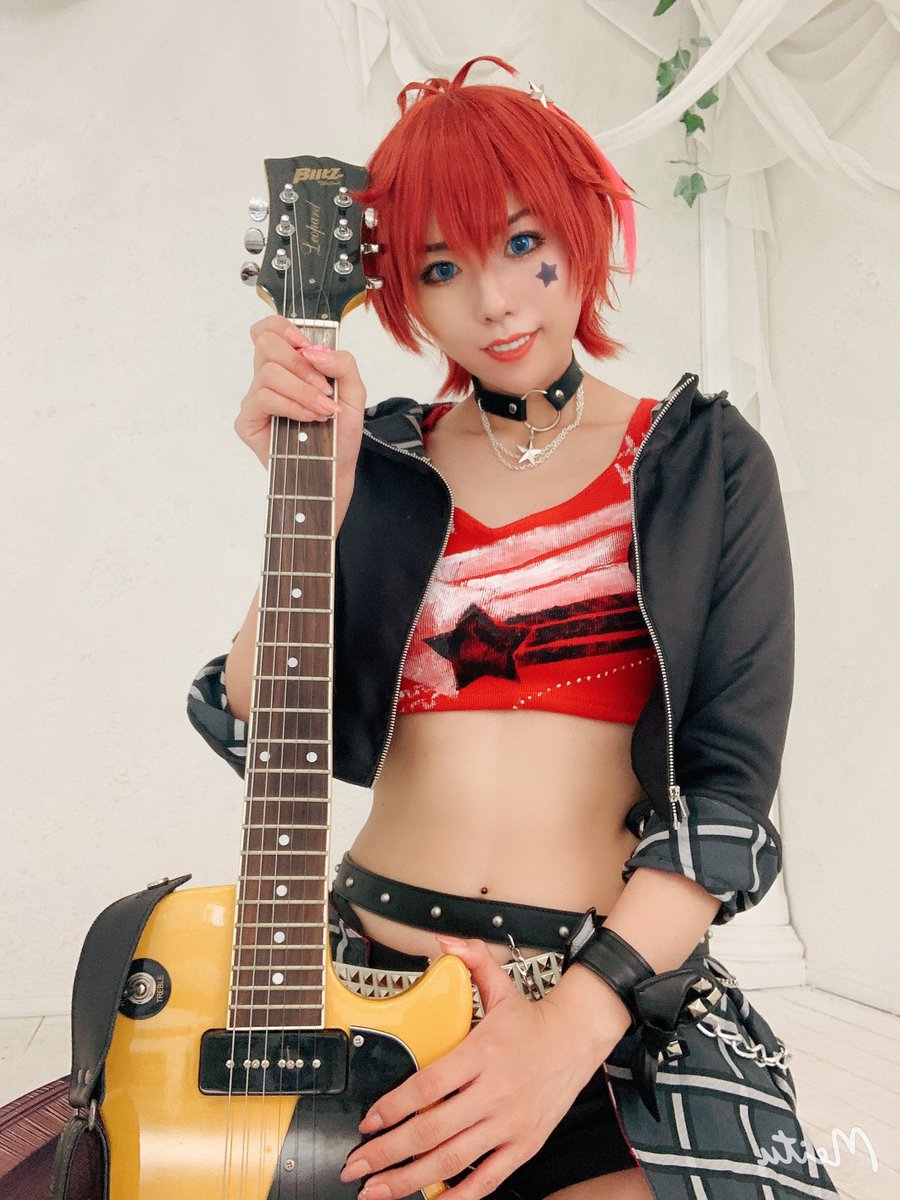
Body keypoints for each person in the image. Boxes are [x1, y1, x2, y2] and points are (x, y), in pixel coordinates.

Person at [189, 56, 836, 1200]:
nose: (492, 302)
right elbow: (258, 724)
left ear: (584, 233)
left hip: (608, 1005)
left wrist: (565, 1034)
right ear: (399, 290)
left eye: (524, 244)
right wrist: (315, 494)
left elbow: (726, 798)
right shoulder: (383, 461)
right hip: (357, 984)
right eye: (442, 267)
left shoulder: (701, 462)